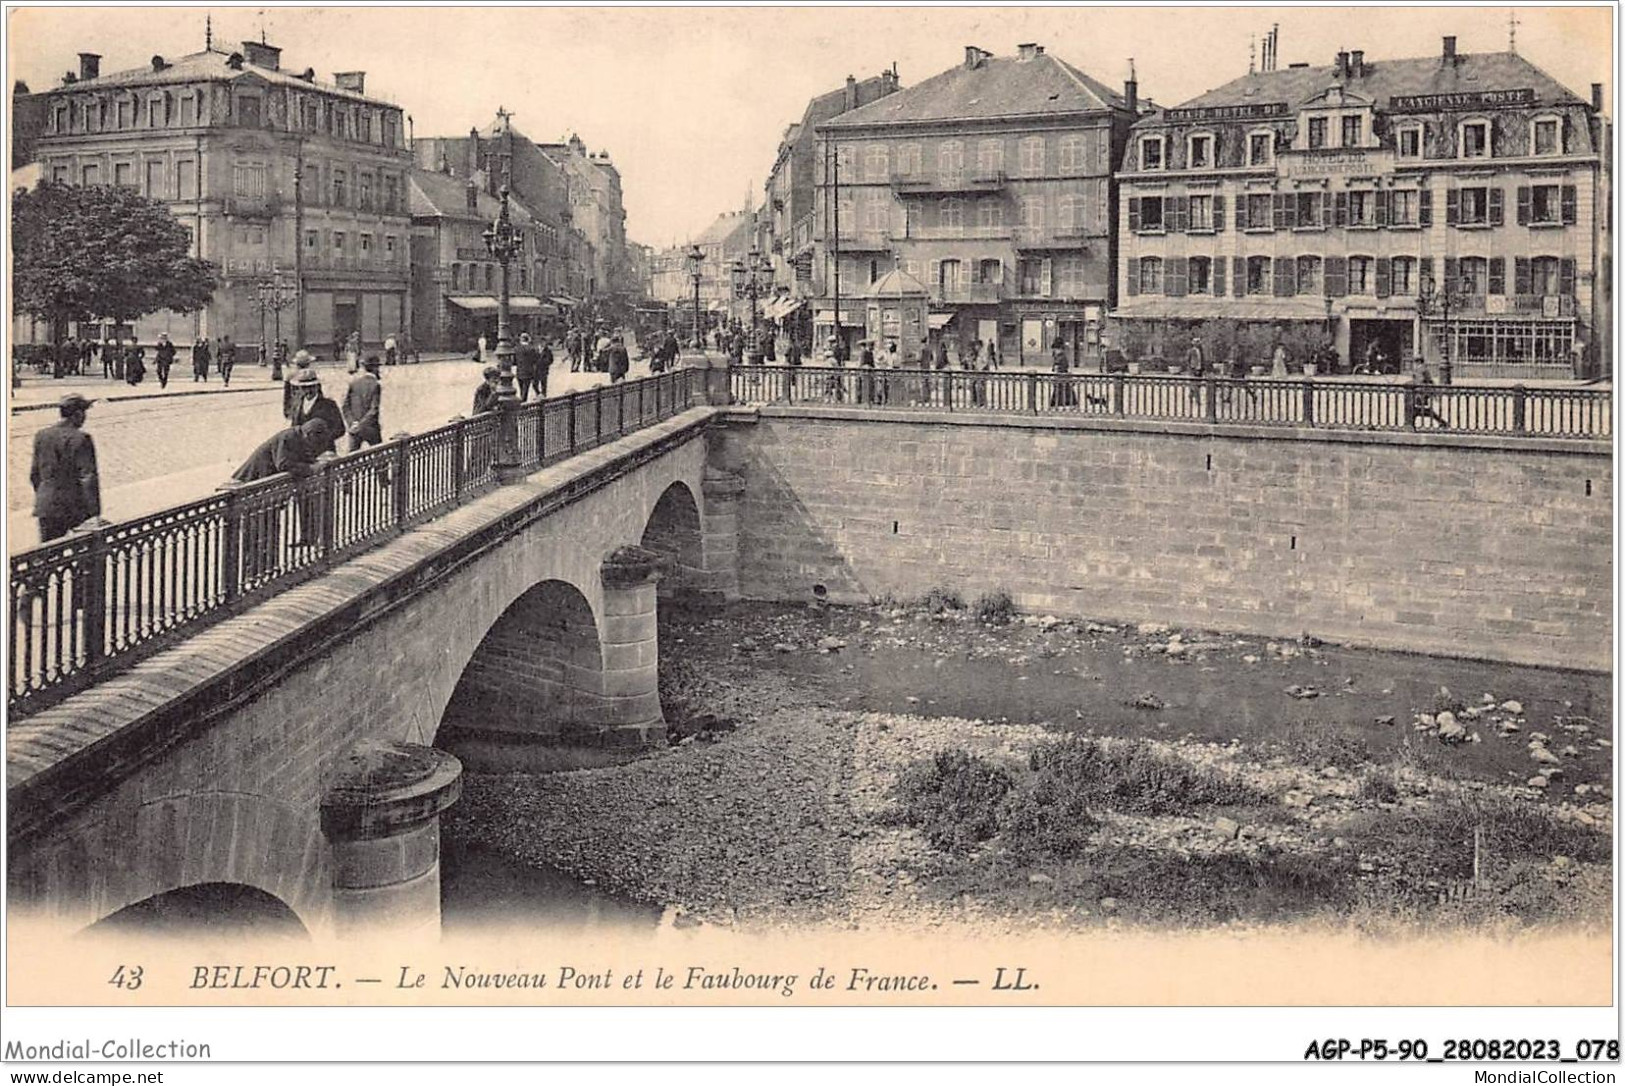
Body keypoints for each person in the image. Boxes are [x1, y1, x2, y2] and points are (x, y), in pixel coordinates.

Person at [231, 418, 332, 576]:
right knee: (256, 531)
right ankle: (253, 573)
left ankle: (266, 570)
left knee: (268, 529)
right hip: (252, 485)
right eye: (314, 442)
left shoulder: (298, 436)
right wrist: (311, 468)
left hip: (266, 491)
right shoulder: (288, 437)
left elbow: (301, 457)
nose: (313, 447)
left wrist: (318, 461)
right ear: (309, 435)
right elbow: (283, 464)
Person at [31, 393, 102, 543]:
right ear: (77, 414)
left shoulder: (42, 435)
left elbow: (35, 474)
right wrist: (94, 513)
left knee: (49, 554)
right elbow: (88, 477)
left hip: (46, 506)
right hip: (74, 507)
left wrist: (46, 495)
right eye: (84, 413)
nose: (84, 417)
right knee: (86, 554)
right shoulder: (81, 438)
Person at [285, 366, 346, 457]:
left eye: (311, 387)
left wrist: (322, 439)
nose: (308, 391)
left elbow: (340, 429)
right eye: (304, 388)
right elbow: (294, 428)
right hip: (303, 454)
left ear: (317, 387)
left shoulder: (329, 405)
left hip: (324, 453)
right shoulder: (297, 404)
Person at [342, 356, 384, 451]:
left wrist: (352, 423)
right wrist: (361, 424)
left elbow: (345, 406)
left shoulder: (353, 383)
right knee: (379, 457)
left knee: (351, 459)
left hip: (354, 428)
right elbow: (374, 409)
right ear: (375, 368)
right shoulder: (376, 385)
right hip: (370, 428)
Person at [1050, 340, 1077, 409]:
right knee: (1064, 390)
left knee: (1062, 390)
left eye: (1056, 349)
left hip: (1061, 376)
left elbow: (1058, 367)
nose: (1055, 351)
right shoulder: (1060, 356)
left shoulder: (1061, 357)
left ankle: (1062, 403)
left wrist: (1055, 372)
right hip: (1062, 376)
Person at [515, 332, 541, 401]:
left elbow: (514, 361)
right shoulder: (532, 349)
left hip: (519, 371)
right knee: (525, 389)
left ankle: (522, 400)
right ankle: (523, 401)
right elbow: (536, 359)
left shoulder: (517, 349)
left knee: (521, 389)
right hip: (528, 372)